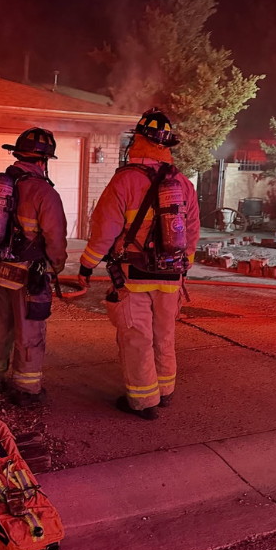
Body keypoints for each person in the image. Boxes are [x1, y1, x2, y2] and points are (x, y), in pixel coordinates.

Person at [77, 109, 201, 420]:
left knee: (137, 337)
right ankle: (166, 390)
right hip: (171, 276)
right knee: (164, 334)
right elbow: (194, 229)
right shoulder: (183, 184)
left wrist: (86, 265)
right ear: (167, 145)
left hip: (134, 276)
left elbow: (104, 229)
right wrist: (183, 265)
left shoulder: (125, 181)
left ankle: (144, 402)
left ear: (138, 140)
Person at [0, 127, 69, 407]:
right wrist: (56, 266)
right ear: (43, 161)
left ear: (18, 155)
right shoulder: (45, 193)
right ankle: (26, 390)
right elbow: (55, 239)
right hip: (27, 276)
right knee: (30, 331)